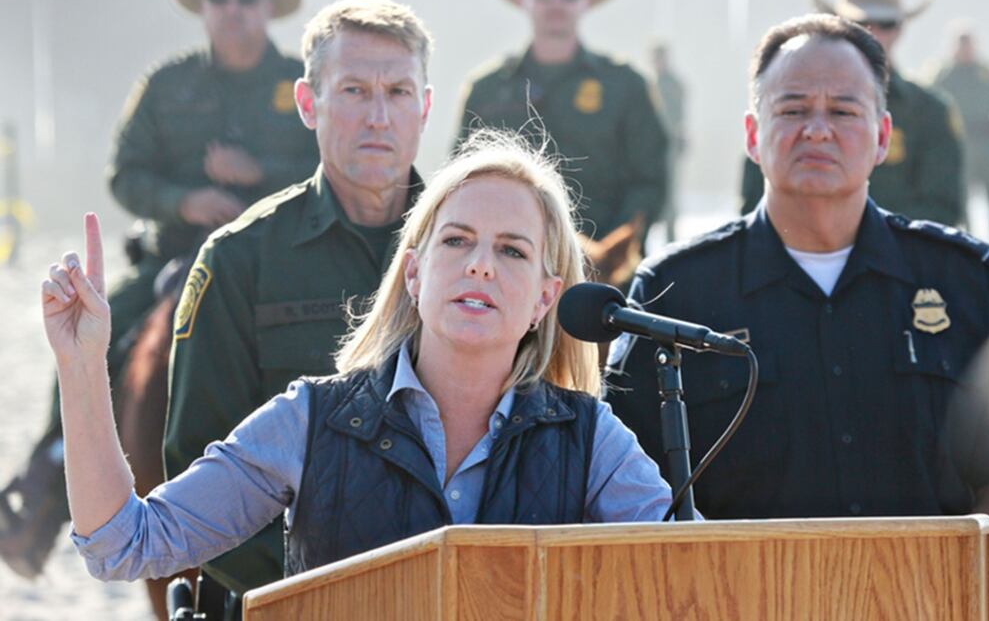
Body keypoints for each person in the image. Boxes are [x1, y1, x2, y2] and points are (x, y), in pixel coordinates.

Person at [44, 130, 675, 585]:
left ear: (545, 298)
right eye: (457, 240)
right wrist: (81, 365)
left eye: (512, 250)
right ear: (414, 274)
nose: (481, 264)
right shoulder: (309, 419)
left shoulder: (594, 440)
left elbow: (691, 575)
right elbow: (124, 545)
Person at [606, 14, 989, 588]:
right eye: (793, 110)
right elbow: (620, 482)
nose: (817, 130)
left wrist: (954, 599)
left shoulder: (962, 278)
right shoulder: (675, 291)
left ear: (882, 136)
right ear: (752, 135)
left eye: (843, 111)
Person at [0, 0, 317, 579]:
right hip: (177, 254)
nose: (232, 11)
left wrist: (261, 177)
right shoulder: (167, 85)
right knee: (96, 333)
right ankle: (45, 485)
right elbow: (125, 173)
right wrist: (183, 200)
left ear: (267, 8)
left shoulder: (301, 83)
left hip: (281, 255)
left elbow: (334, 165)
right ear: (203, 8)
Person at [164, 0, 428, 598]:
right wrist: (316, 592)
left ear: (425, 106)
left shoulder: (475, 251)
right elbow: (197, 469)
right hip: (291, 596)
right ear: (308, 104)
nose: (379, 117)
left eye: (398, 92)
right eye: (354, 91)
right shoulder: (239, 260)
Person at [454, 0, 668, 243]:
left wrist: (608, 251)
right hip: (505, 257)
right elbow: (462, 180)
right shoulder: (487, 90)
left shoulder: (625, 85)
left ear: (587, 0)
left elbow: (649, 179)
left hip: (603, 261)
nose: (556, 3)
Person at [739, 0, 964, 228]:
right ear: (836, 23)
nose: (873, 33)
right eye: (860, 23)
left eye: (886, 23)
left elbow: (942, 208)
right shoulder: (781, 100)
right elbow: (755, 202)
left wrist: (859, 235)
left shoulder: (930, 111)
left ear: (900, 28)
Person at [933, 25, 989, 258]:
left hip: (987, 145)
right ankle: (970, 251)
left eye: (969, 44)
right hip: (961, 147)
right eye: (962, 45)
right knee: (963, 203)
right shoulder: (943, 75)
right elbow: (932, 112)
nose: (966, 49)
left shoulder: (986, 73)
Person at [649, 42, 688, 243]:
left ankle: (670, 239)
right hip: (651, 147)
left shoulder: (673, 85)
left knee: (670, 194)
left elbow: (678, 117)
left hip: (668, 145)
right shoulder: (649, 84)